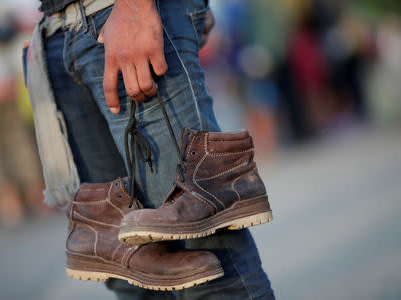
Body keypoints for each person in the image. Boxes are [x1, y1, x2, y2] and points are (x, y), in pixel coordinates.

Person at [25, 0, 274, 299]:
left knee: (206, 259)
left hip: (114, 13)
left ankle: (235, 183)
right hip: (57, 31)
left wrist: (136, 8)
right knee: (130, 273)